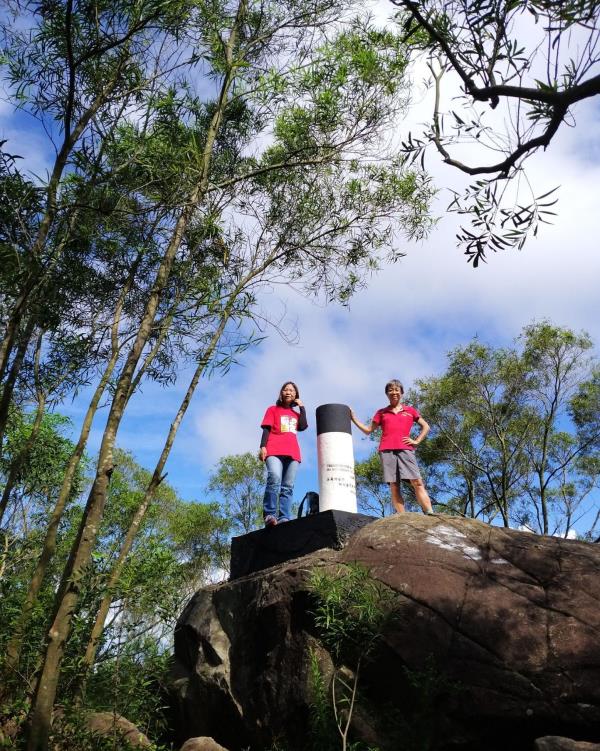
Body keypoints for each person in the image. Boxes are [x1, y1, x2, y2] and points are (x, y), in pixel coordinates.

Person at [350, 379, 434, 515]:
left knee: (417, 481)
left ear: (401, 393)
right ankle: (402, 516)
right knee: (394, 485)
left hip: (406, 448)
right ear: (387, 394)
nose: (394, 392)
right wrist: (354, 419)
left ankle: (429, 512)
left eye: (396, 390)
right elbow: (368, 430)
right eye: (390, 390)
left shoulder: (410, 410)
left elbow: (426, 426)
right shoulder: (381, 412)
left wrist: (417, 441)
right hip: (386, 450)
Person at [259, 381, 308, 526]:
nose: (288, 392)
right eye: (286, 390)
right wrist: (263, 446)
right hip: (273, 449)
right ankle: (269, 515)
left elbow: (303, 426)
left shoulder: (296, 414)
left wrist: (302, 407)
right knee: (274, 478)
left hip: (293, 453)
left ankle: (284, 517)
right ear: (281, 393)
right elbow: (266, 429)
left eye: (292, 390)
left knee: (288, 486)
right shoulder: (272, 409)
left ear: (296, 395)